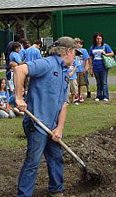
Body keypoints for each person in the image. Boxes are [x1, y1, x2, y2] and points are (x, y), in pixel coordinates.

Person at [14, 36, 81, 197]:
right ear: (67, 51)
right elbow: (19, 70)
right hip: (37, 123)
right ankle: (23, 195)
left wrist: (60, 128)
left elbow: (63, 104)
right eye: (75, 53)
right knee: (33, 161)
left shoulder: (65, 73)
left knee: (56, 158)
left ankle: (56, 190)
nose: (76, 57)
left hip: (52, 125)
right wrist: (19, 97)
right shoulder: (47, 63)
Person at [89, 32, 114, 101]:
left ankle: (106, 96)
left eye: (100, 38)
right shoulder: (92, 47)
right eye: (97, 38)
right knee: (98, 82)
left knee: (104, 82)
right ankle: (99, 95)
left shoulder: (105, 46)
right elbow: (90, 57)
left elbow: (112, 53)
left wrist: (105, 54)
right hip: (96, 66)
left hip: (103, 66)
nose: (98, 40)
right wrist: (90, 67)